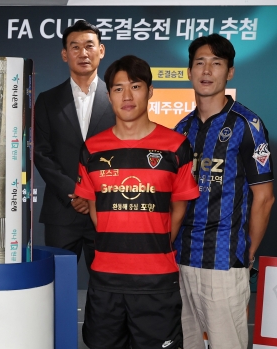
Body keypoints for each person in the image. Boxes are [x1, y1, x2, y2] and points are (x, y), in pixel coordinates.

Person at [76, 55, 199, 349]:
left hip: (156, 282)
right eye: (118, 89)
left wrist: (151, 242)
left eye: (136, 86)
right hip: (105, 279)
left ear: (150, 90)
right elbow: (94, 208)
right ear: (109, 96)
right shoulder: (92, 149)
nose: (127, 96)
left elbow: (179, 208)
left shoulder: (176, 147)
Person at [174, 34, 275, 349]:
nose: (206, 70)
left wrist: (247, 253)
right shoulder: (181, 129)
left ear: (229, 72)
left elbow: (264, 197)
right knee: (184, 342)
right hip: (179, 259)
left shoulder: (248, 125)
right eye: (199, 63)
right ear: (189, 71)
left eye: (216, 64)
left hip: (224, 261)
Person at [34, 19, 115, 271]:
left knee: (107, 287)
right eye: (75, 47)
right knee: (56, 285)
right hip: (62, 210)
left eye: (89, 46)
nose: (83, 53)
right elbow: (40, 152)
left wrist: (92, 195)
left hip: (107, 209)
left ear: (101, 50)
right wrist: (74, 192)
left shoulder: (118, 99)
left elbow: (125, 152)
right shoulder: (47, 100)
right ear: (64, 54)